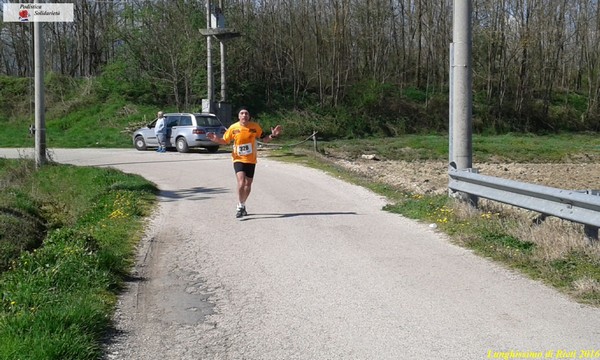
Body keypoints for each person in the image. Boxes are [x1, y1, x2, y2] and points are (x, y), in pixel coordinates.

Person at [207, 107, 282, 218]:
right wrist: (215, 139)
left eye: (246, 113)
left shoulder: (255, 127)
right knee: (241, 182)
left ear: (249, 116)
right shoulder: (233, 128)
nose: (244, 115)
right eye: (242, 113)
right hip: (238, 158)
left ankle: (242, 204)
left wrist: (273, 135)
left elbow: (264, 139)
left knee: (248, 185)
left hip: (251, 160)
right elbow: (225, 141)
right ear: (239, 116)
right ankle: (240, 206)